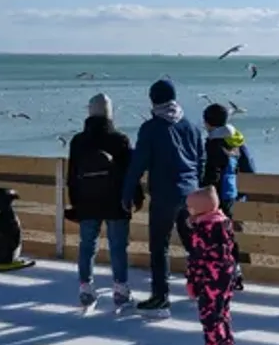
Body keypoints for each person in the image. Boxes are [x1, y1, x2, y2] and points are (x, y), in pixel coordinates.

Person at [122, 79, 205, 319]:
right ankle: (202, 287)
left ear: (153, 99)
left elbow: (139, 164)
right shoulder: (190, 126)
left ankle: (160, 298)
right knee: (193, 243)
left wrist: (127, 193)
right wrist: (196, 187)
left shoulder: (151, 128)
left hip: (165, 194)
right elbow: (200, 160)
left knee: (160, 247)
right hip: (190, 193)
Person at [66, 93, 143, 312]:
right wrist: (135, 198)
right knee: (118, 246)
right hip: (115, 202)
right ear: (110, 113)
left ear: (89, 112)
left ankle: (86, 288)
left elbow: (72, 176)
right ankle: (120, 289)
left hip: (87, 201)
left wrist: (75, 203)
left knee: (87, 245)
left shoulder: (78, 141)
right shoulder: (119, 139)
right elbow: (131, 173)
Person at [200, 103, 256, 291]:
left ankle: (220, 275)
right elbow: (249, 168)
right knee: (229, 234)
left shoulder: (214, 144)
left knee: (216, 236)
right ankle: (236, 272)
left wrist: (204, 192)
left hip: (217, 196)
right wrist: (243, 193)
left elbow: (212, 173)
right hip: (232, 194)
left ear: (208, 123)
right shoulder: (236, 140)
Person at [183, 186, 239, 345]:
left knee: (209, 315)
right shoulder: (223, 223)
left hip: (211, 279)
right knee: (223, 312)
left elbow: (197, 259)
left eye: (190, 207)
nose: (188, 210)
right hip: (227, 274)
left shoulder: (202, 230)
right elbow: (232, 250)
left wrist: (193, 282)